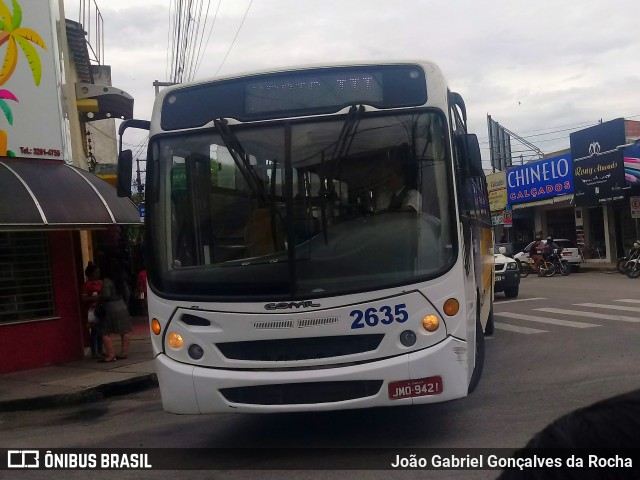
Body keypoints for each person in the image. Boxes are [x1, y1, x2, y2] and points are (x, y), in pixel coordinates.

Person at [98, 258, 133, 362]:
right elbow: (127, 293)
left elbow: (106, 295)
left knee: (105, 332)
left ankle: (111, 354)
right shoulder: (121, 280)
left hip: (110, 307)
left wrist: (99, 297)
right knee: (125, 331)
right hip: (122, 305)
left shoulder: (107, 281)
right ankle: (124, 352)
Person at [80, 263, 103, 359]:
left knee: (101, 331)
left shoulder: (100, 283)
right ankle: (94, 352)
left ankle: (101, 350)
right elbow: (83, 299)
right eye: (96, 272)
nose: (98, 274)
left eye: (98, 272)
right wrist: (96, 298)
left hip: (101, 309)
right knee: (95, 331)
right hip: (92, 311)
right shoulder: (87, 286)